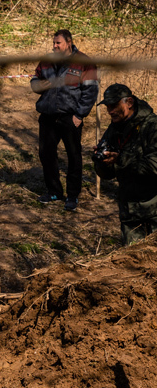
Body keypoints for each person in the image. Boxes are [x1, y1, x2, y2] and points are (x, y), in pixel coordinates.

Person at [31, 29, 99, 212]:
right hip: (47, 116)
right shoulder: (47, 60)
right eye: (53, 43)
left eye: (58, 43)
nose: (54, 46)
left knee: (74, 157)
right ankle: (54, 192)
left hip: (70, 118)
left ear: (68, 43)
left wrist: (79, 115)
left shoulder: (84, 63)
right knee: (46, 154)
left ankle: (72, 196)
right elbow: (34, 79)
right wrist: (37, 86)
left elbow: (91, 92)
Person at [92, 83, 157, 245]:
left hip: (154, 208)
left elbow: (154, 165)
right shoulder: (114, 129)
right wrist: (103, 162)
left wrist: (120, 159)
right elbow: (107, 175)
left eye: (114, 105)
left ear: (129, 103)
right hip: (130, 211)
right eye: (107, 106)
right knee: (133, 263)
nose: (110, 111)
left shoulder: (152, 126)